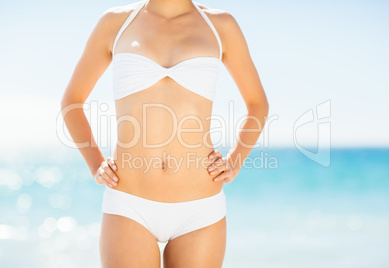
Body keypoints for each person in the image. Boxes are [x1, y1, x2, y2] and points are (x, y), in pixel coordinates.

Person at [61, 0, 269, 267]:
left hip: (200, 208)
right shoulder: (115, 23)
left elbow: (258, 104)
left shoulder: (220, 25)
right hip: (129, 204)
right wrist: (96, 165)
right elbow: (72, 101)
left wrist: (235, 162)